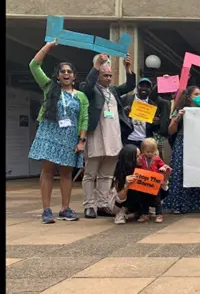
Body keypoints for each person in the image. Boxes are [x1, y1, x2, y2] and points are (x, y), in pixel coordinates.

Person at [28, 40, 88, 224]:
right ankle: (46, 210)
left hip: (69, 137)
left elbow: (84, 118)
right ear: (58, 76)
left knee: (66, 173)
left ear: (74, 76)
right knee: (47, 171)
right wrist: (47, 47)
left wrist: (81, 141)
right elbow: (34, 65)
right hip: (49, 133)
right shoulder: (49, 88)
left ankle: (65, 208)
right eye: (63, 71)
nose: (66, 74)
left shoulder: (80, 96)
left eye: (69, 71)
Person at [80, 53, 135, 219]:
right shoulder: (89, 88)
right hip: (96, 134)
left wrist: (128, 69)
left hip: (113, 136)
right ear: (98, 75)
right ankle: (89, 205)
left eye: (110, 75)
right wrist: (97, 64)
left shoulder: (113, 91)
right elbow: (87, 86)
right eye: (105, 75)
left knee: (107, 174)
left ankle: (103, 204)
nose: (109, 78)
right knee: (90, 173)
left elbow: (130, 85)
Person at [164, 86, 200, 214]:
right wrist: (177, 117)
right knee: (180, 173)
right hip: (183, 142)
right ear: (189, 97)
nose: (199, 97)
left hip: (199, 143)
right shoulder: (179, 110)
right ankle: (178, 204)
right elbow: (170, 130)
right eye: (196, 94)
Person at [108, 144, 169, 224]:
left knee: (161, 191)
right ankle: (122, 213)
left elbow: (165, 190)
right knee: (133, 189)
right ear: (130, 159)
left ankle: (142, 211)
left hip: (145, 199)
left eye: (140, 155)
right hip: (119, 205)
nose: (141, 157)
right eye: (137, 156)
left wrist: (165, 177)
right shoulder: (120, 173)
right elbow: (116, 204)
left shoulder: (145, 167)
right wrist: (126, 186)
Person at [122, 77, 171, 148]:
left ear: (150, 89)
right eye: (141, 85)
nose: (144, 88)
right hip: (129, 139)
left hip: (146, 141)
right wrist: (124, 111)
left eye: (147, 86)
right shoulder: (127, 99)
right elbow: (118, 113)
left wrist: (156, 122)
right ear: (137, 87)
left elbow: (155, 126)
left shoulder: (153, 105)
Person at [136, 138, 171, 223]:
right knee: (144, 199)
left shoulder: (156, 158)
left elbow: (163, 165)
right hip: (144, 183)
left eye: (152, 152)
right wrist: (138, 163)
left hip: (155, 183)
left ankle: (159, 214)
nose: (150, 154)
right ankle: (144, 214)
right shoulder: (141, 158)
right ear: (143, 151)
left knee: (157, 199)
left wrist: (163, 168)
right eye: (148, 152)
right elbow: (137, 167)